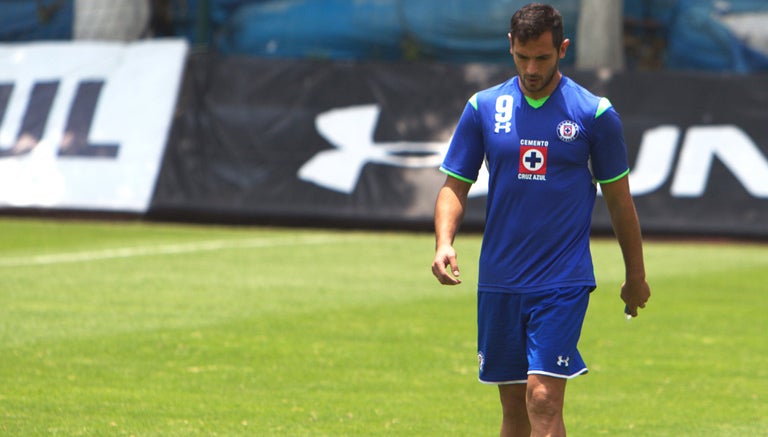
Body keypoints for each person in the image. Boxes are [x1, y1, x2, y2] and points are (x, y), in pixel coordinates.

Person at [431, 3, 651, 436]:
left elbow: (620, 203)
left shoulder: (594, 114)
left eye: (543, 58)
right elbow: (454, 185)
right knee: (514, 404)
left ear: (563, 49)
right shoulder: (483, 107)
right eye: (522, 56)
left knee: (543, 399)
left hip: (561, 280)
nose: (531, 68)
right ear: (510, 47)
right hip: (500, 279)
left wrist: (635, 276)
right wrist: (444, 242)